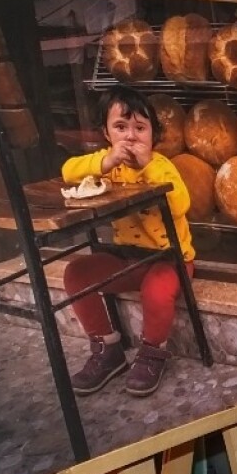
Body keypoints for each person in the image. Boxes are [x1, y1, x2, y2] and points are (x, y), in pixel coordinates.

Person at [62, 86, 195, 398]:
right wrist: (103, 163)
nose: (131, 137)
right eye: (121, 128)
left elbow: (180, 205)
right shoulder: (108, 165)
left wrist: (148, 167)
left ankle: (152, 352)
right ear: (107, 134)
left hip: (170, 259)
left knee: (156, 289)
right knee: (76, 274)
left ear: (154, 135)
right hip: (126, 258)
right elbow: (68, 172)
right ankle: (108, 348)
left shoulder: (161, 166)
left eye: (140, 128)